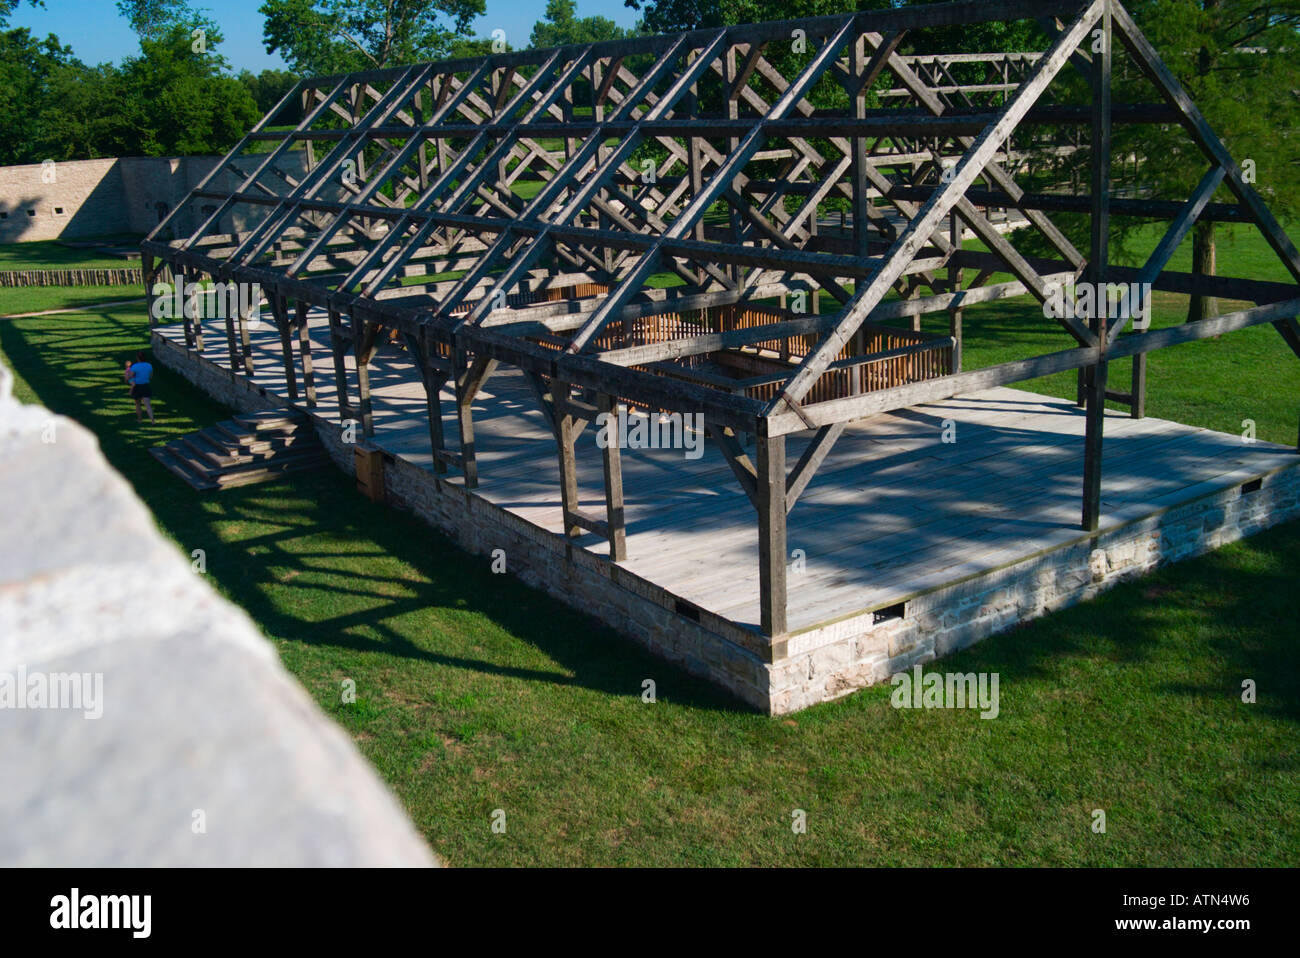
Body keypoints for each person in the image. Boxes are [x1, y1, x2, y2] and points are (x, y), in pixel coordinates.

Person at [125, 351, 155, 423]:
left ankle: (139, 419)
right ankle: (152, 420)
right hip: (146, 385)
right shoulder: (149, 365)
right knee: (148, 405)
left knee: (138, 404)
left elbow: (131, 376)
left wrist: (128, 376)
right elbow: (150, 376)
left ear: (137, 358)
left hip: (137, 386)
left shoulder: (135, 366)